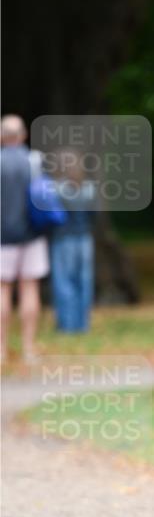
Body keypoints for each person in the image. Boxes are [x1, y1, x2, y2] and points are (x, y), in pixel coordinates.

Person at [0, 114, 49, 365]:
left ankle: (1, 349)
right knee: (30, 289)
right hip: (32, 235)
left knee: (2, 291)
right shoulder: (34, 161)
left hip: (2, 239)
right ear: (23, 135)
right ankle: (29, 349)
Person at [48, 148, 97, 332]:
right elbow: (95, 216)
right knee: (84, 281)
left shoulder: (56, 189)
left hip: (63, 239)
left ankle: (66, 325)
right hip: (85, 238)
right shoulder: (90, 188)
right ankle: (83, 324)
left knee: (64, 281)